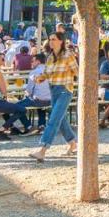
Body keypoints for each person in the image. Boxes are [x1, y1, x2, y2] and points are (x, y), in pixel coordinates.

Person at [29, 32, 77, 161]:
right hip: (53, 90)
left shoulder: (68, 55)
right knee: (60, 119)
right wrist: (37, 78)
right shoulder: (49, 57)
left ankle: (42, 150)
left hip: (65, 90)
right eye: (50, 39)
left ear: (61, 41)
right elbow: (46, 75)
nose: (51, 41)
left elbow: (78, 72)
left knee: (53, 119)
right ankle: (73, 143)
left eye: (53, 39)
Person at [18, 53, 51, 131]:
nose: (31, 63)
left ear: (38, 62)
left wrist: (26, 94)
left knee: (17, 107)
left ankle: (28, 125)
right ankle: (42, 125)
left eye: (33, 61)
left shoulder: (34, 72)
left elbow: (29, 90)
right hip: (50, 100)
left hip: (39, 100)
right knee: (40, 101)